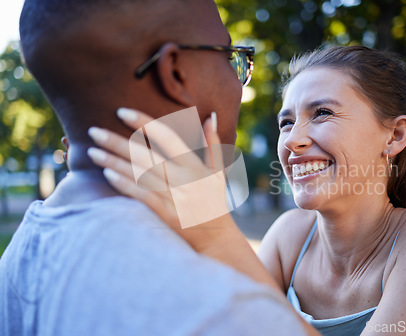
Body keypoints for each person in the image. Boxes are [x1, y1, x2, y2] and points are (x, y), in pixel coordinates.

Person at [90, 45, 406, 336]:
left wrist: (215, 232)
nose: (293, 140)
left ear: (395, 136)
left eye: (322, 113)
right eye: (287, 122)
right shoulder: (291, 236)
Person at [0, 0, 319, 335]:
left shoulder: (17, 258)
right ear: (176, 73)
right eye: (228, 56)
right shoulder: (215, 308)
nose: (239, 81)